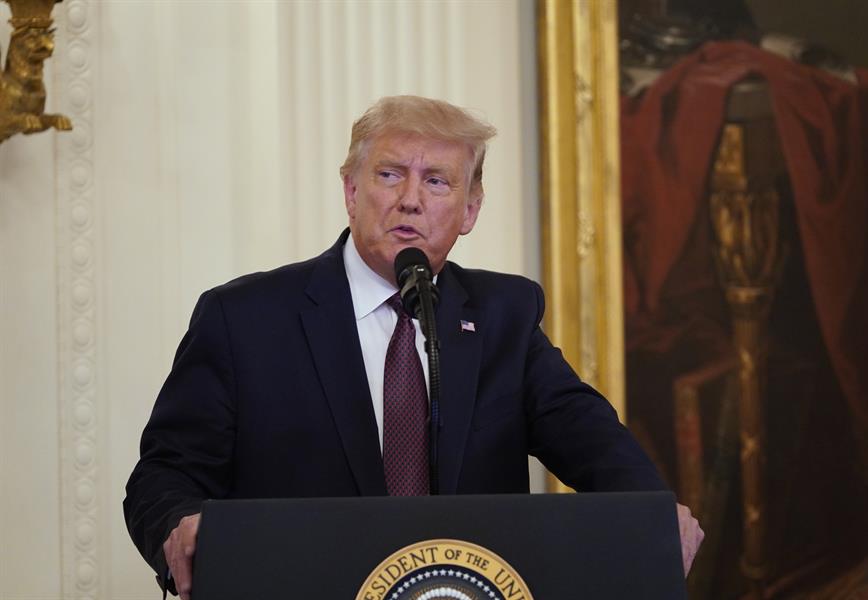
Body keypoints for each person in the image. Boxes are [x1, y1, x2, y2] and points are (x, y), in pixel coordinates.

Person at [124, 95, 703, 599]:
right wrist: (183, 525)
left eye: (436, 181)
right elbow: (164, 475)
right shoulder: (245, 318)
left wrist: (652, 512)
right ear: (350, 190)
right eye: (389, 174)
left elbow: (589, 437)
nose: (410, 199)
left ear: (470, 209)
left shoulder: (503, 316)